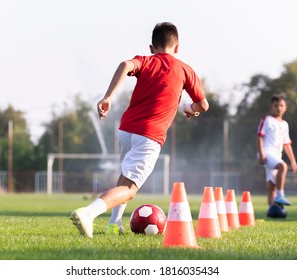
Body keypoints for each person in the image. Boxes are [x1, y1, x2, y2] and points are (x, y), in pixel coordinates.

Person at [70, 22, 209, 237]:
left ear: (152, 48)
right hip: (149, 136)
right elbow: (203, 104)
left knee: (125, 177)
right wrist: (190, 109)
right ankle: (88, 213)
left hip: (126, 130)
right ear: (178, 47)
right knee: (130, 189)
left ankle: (114, 225)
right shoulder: (185, 70)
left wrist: (108, 97)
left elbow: (125, 65)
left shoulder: (146, 61)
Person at [257, 94, 297, 207]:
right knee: (283, 166)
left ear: (285, 107)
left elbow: (287, 144)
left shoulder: (285, 124)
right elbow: (260, 136)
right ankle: (280, 195)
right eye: (276, 105)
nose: (279, 108)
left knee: (271, 184)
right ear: (272, 107)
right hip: (266, 152)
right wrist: (261, 154)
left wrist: (293, 161)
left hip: (276, 155)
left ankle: (271, 209)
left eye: (281, 105)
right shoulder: (267, 120)